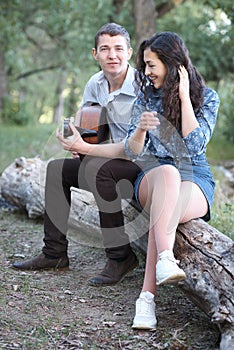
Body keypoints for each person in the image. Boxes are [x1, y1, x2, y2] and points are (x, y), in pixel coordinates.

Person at [12, 22, 142, 286]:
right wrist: (78, 144)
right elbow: (89, 126)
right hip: (109, 159)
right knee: (57, 169)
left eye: (118, 48)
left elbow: (134, 149)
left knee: (102, 171)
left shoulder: (143, 88)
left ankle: (120, 257)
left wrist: (90, 150)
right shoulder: (94, 83)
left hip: (143, 167)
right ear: (95, 54)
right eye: (105, 49)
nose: (112, 55)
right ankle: (54, 253)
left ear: (129, 52)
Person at [122, 32, 220, 329]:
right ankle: (165, 258)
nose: (146, 72)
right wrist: (139, 130)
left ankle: (146, 299)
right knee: (168, 173)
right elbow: (130, 151)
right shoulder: (145, 97)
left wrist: (183, 97)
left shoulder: (208, 97)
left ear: (172, 63)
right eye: (146, 65)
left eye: (151, 65)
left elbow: (195, 148)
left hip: (196, 176)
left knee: (167, 200)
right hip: (154, 174)